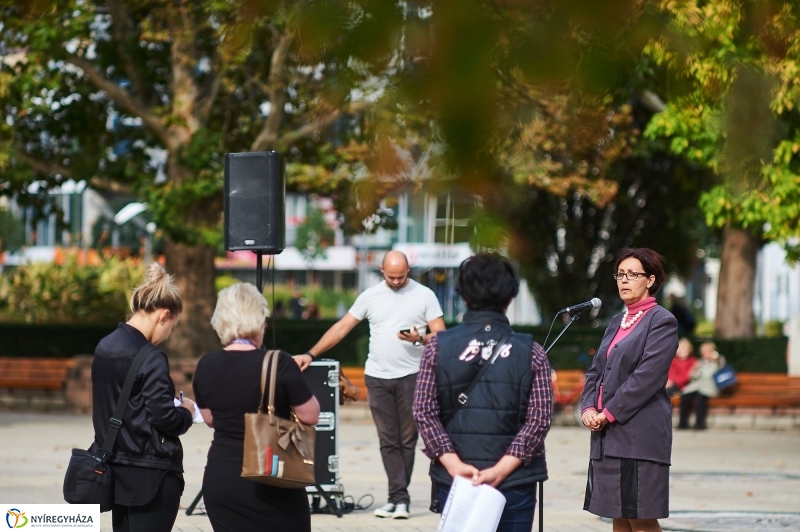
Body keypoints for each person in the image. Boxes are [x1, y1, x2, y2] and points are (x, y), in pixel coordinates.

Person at [294, 250, 445, 519]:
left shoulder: (424, 295)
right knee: (388, 439)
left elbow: (441, 336)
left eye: (401, 276)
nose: (397, 281)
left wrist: (419, 338)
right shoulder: (370, 296)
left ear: (408, 270)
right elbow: (342, 328)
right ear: (381, 269)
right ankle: (398, 499)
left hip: (413, 376)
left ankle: (399, 498)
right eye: (391, 277)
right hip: (377, 377)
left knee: (407, 439)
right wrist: (311, 354)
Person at [413, 253, 552, 532]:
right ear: (510, 297)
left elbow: (423, 411)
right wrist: (501, 469)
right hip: (514, 481)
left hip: (457, 481)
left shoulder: (437, 347)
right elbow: (539, 419)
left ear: (464, 296)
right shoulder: (531, 351)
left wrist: (452, 463)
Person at [192, 283, 320, 532]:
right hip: (272, 475)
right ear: (260, 320)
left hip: (222, 476)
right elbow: (311, 415)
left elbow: (209, 419)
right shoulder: (278, 362)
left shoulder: (206, 364)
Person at [579, 248, 678, 532]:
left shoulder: (662, 321)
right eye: (620, 274)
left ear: (650, 280)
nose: (625, 280)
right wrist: (587, 408)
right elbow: (595, 371)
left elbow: (646, 378)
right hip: (606, 436)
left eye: (633, 274)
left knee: (640, 516)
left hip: (639, 435)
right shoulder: (615, 322)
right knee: (618, 514)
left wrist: (607, 413)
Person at [91, 263, 195, 532]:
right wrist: (186, 411)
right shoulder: (151, 356)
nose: (168, 335)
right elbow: (164, 417)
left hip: (115, 469)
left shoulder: (105, 346)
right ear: (164, 315)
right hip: (152, 475)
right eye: (172, 327)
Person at [678, 341, 726, 430]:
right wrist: (695, 369)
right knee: (685, 397)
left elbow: (722, 370)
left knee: (700, 398)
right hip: (697, 386)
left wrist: (716, 358)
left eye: (708, 351)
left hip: (710, 387)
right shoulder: (700, 362)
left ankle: (699, 423)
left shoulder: (718, 361)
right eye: (704, 352)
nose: (706, 354)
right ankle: (682, 423)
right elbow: (693, 377)